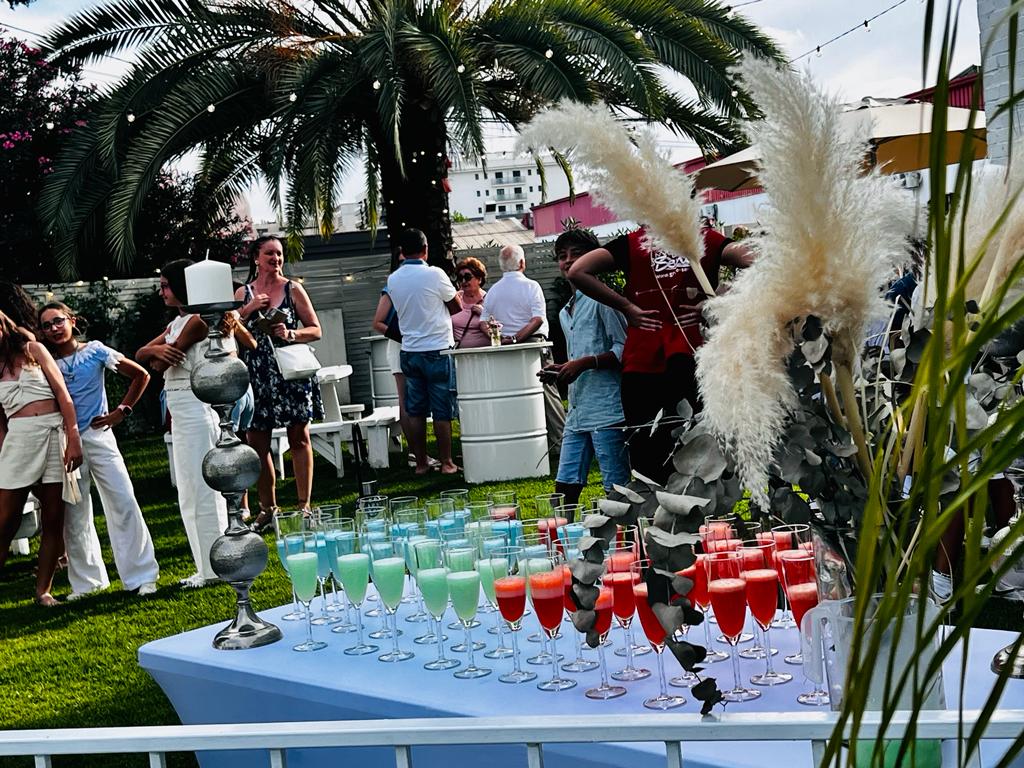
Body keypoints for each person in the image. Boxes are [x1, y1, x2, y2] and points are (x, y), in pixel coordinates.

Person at [568, 224, 753, 485]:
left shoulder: (633, 243)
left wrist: (626, 307)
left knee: (649, 461)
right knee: (704, 451)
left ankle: (656, 519)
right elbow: (758, 260)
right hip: (694, 358)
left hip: (645, 364)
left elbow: (578, 271)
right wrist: (718, 297)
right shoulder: (704, 238)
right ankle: (707, 520)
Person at [38, 301, 160, 599]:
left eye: (58, 321)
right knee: (75, 513)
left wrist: (122, 411)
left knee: (123, 501)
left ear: (72, 321)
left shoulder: (94, 351)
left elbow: (140, 375)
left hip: (99, 436)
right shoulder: (45, 362)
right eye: (46, 325)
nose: (54, 328)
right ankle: (88, 583)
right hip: (65, 442)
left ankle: (142, 576)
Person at [137, 260, 227, 588]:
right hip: (179, 412)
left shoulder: (198, 321)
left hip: (194, 409)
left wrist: (157, 353)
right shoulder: (176, 322)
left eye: (165, 285)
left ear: (181, 286)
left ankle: (216, 566)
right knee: (187, 491)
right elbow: (143, 353)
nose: (161, 292)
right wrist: (155, 350)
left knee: (203, 489)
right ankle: (204, 565)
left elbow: (163, 360)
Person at [234, 236, 324, 528]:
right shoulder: (242, 293)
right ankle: (267, 508)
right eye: (270, 253)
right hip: (256, 372)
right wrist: (247, 311)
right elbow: (228, 328)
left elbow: (316, 329)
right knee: (257, 442)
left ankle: (304, 506)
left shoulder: (293, 289)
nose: (276, 258)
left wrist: (290, 333)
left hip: (289, 370)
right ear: (256, 258)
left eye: (279, 254)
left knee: (299, 437)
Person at [541, 230, 630, 510]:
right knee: (565, 485)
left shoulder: (605, 301)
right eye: (562, 256)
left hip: (606, 410)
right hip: (577, 410)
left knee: (616, 488)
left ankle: (629, 544)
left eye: (575, 255)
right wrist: (564, 368)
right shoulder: (567, 310)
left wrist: (585, 363)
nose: (567, 262)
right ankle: (561, 546)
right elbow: (579, 354)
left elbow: (624, 349)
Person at [0, 310, 83, 606]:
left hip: (53, 434)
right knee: (5, 520)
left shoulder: (34, 349)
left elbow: (63, 394)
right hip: (18, 440)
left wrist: (73, 438)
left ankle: (43, 592)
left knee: (52, 518)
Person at [385, 228, 461, 475]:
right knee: (441, 409)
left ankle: (420, 463)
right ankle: (447, 462)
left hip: (409, 350)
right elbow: (456, 306)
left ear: (402, 253)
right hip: (437, 348)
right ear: (425, 250)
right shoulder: (435, 274)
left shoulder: (393, 279)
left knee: (415, 409)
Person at [482, 244, 566, 453]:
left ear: (501, 266)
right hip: (534, 344)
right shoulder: (531, 286)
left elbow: (482, 322)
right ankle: (561, 441)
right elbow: (537, 319)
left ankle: (520, 441)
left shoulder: (493, 291)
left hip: (506, 350)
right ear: (522, 263)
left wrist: (501, 339)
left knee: (516, 394)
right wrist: (518, 338)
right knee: (548, 391)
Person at [450, 257, 491, 349]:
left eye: (467, 277)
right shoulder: (454, 299)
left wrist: (484, 314)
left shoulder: (489, 300)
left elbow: (499, 331)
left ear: (479, 279)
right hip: (459, 356)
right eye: (460, 278)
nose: (464, 282)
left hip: (486, 355)